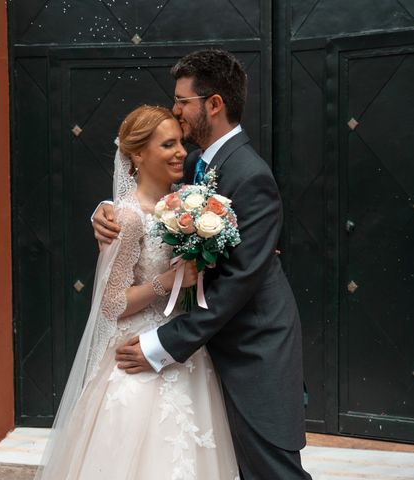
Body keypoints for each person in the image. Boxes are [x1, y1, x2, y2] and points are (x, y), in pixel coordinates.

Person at [93, 50, 311, 479]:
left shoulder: (250, 175)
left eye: (182, 100)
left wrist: (161, 346)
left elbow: (236, 281)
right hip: (207, 353)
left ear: (213, 104)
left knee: (271, 470)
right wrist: (104, 212)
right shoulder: (193, 165)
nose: (175, 110)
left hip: (252, 348)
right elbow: (144, 201)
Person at [34, 105, 239, 480]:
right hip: (137, 354)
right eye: (168, 145)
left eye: (180, 142)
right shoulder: (126, 218)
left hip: (182, 348)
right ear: (138, 155)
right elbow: (112, 303)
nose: (181, 152)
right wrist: (171, 281)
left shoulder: (188, 204)